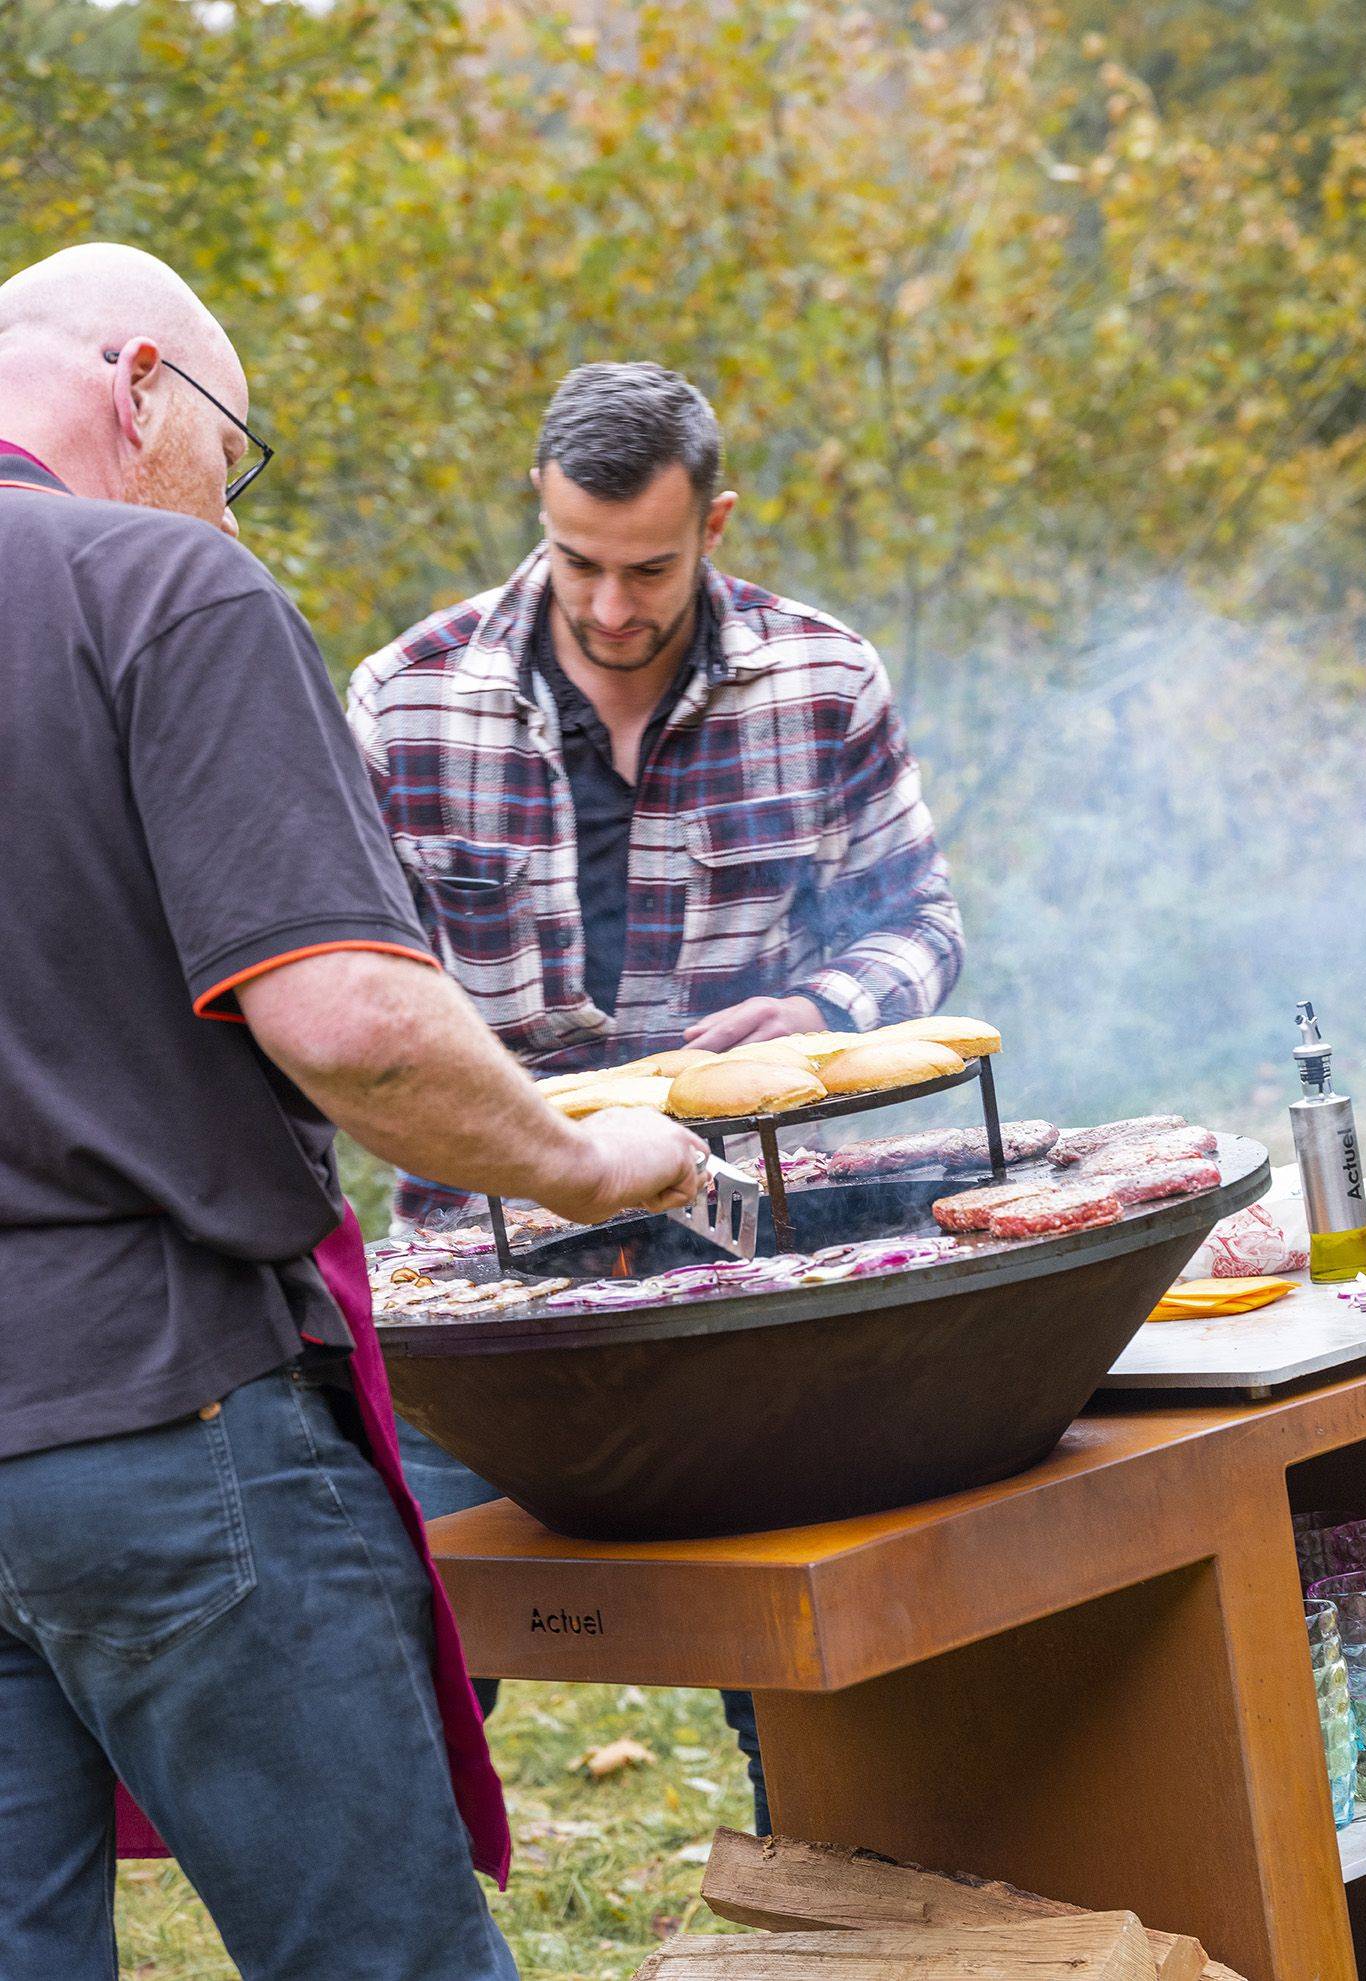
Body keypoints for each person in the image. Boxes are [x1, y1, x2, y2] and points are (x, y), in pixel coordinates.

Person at [0, 247, 704, 1981]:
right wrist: (583, 1158)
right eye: (228, 457)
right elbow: (355, 1026)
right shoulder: (156, 587)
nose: (226, 514)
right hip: (159, 1420)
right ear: (141, 382)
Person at [349, 362, 966, 1832]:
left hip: (747, 1251)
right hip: (473, 1268)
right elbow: (347, 990)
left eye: (650, 567)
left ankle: (838, 1889)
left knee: (809, 1666)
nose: (612, 607)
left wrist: (822, 1006)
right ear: (537, 517)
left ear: (718, 524)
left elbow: (921, 928)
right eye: (578, 562)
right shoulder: (402, 701)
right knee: (403, 1683)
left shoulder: (825, 678)